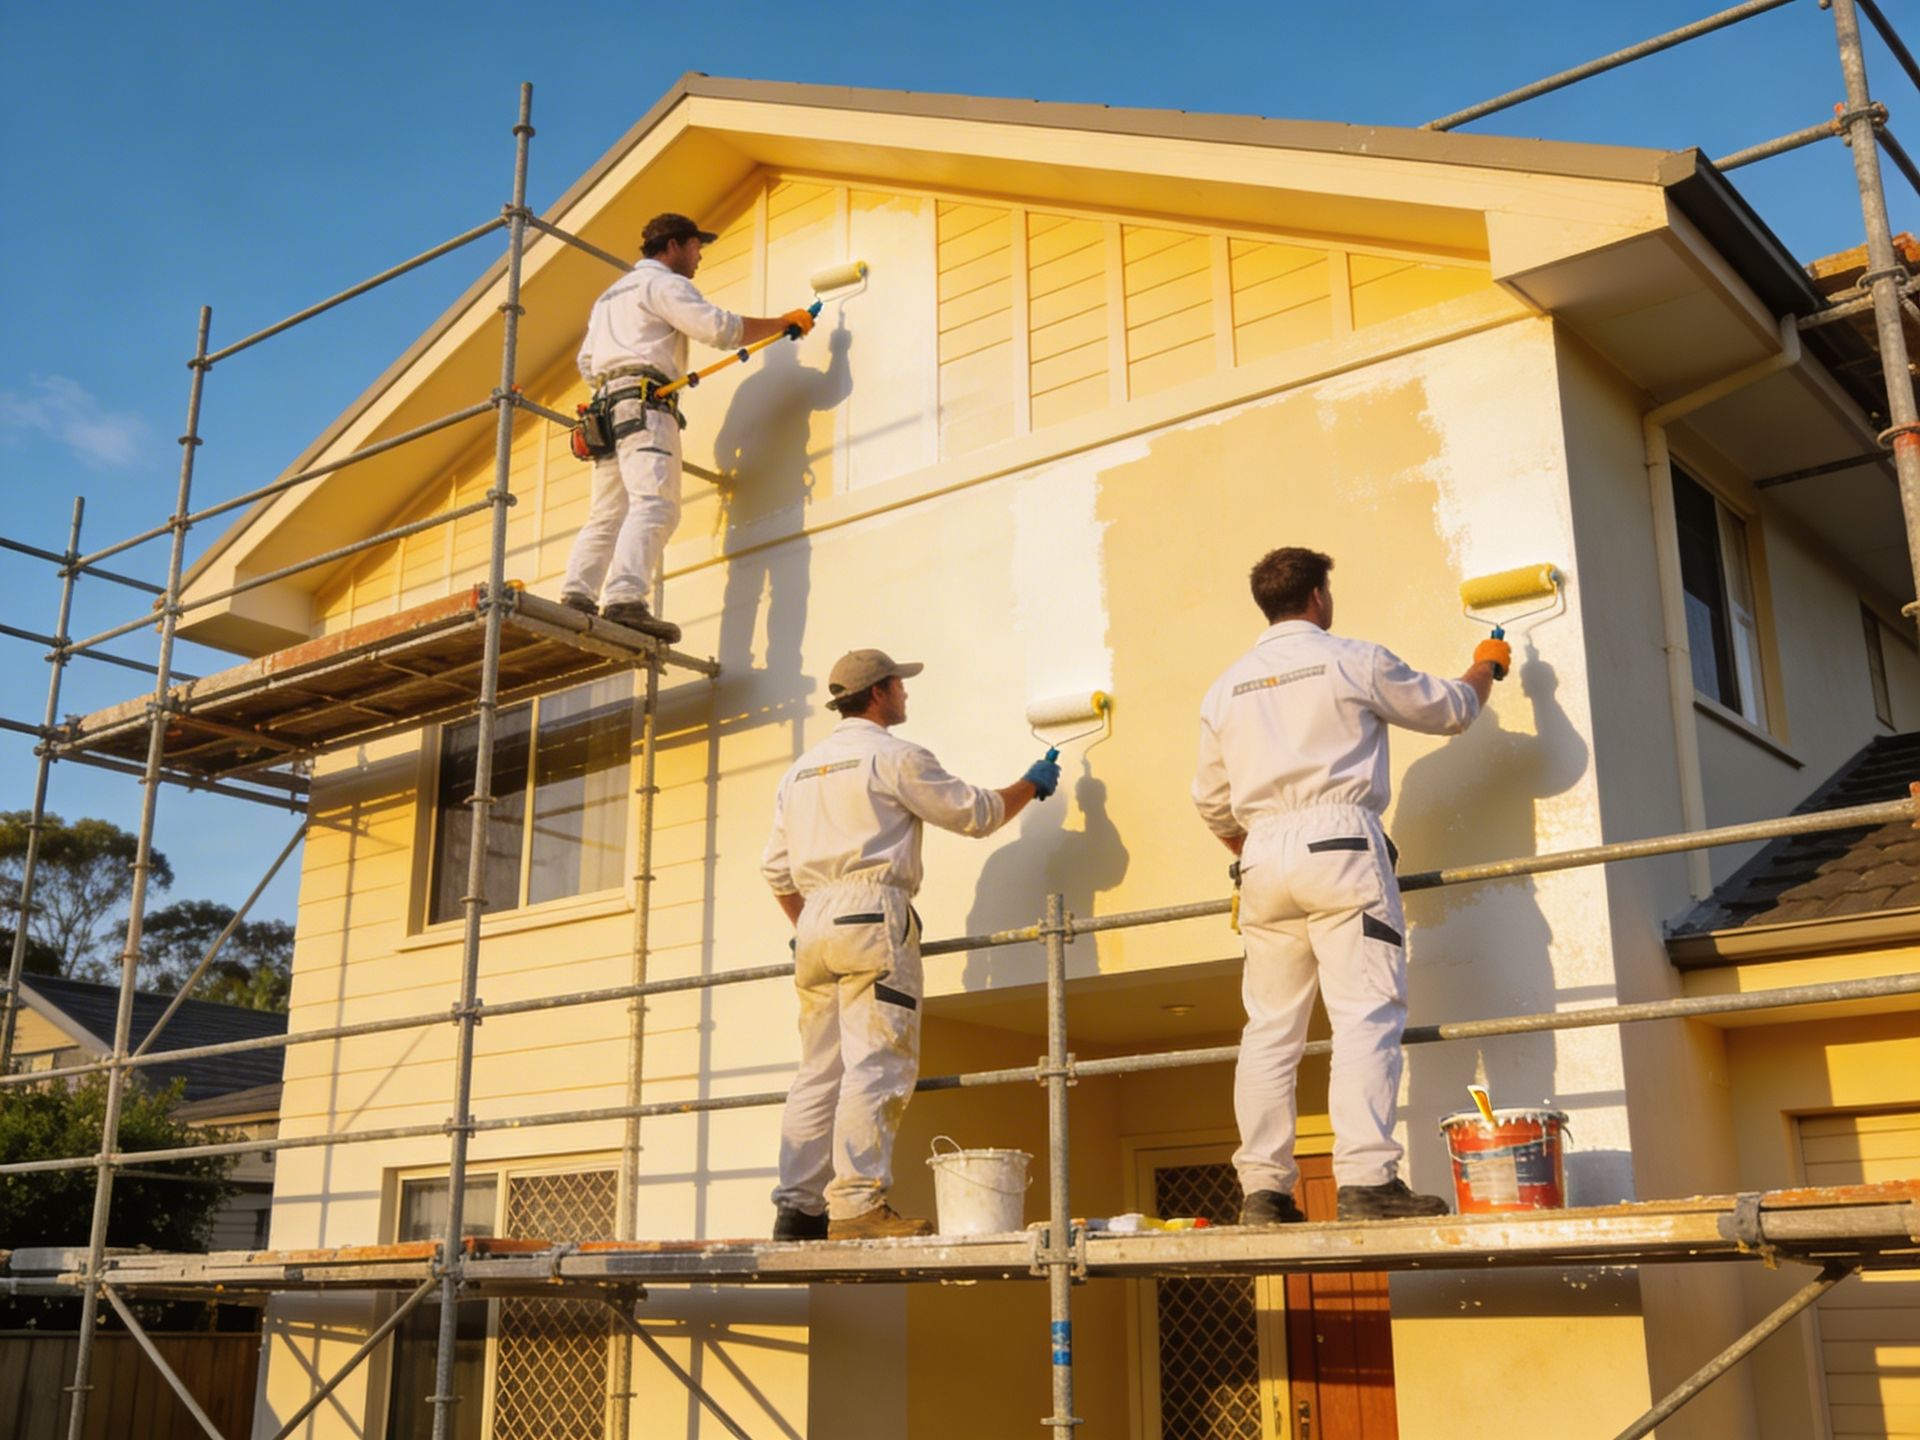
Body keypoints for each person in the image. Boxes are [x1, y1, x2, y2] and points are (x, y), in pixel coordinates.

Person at [1191, 548, 1508, 1224]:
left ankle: (1264, 1194)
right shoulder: (1351, 658)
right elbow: (1449, 709)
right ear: (1316, 597)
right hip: (1339, 843)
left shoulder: (1225, 689)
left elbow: (1213, 804)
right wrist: (1488, 667)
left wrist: (1257, 850)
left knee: (1271, 1031)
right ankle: (1366, 1180)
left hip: (1261, 859)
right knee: (1365, 1012)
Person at [761, 649, 1062, 1239]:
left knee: (819, 1071)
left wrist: (809, 927)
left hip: (814, 922)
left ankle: (797, 1210)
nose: (906, 694)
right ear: (878, 692)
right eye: (900, 685)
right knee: (876, 1064)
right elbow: (975, 814)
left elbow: (775, 870)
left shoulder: (800, 772)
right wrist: (1032, 783)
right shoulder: (894, 756)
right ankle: (855, 1207)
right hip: (872, 913)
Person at [560, 212, 817, 643]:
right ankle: (625, 598)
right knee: (656, 504)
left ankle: (577, 595)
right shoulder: (663, 284)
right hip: (645, 408)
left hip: (608, 409)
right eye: (697, 246)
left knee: (607, 512)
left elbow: (588, 362)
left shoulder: (610, 297)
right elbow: (719, 329)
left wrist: (613, 384)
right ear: (675, 245)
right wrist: (781, 323)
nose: (699, 257)